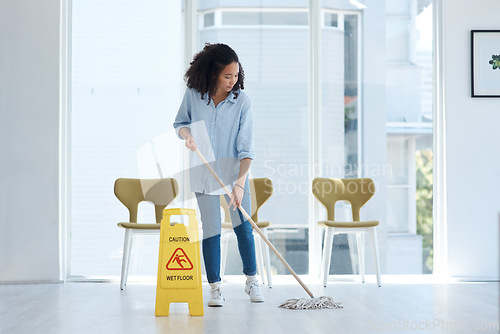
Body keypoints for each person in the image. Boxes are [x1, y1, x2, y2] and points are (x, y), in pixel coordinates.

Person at [173, 43, 264, 307]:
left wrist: (239, 185)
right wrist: (187, 136)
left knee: (243, 228)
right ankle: (215, 287)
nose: (232, 81)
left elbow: (247, 149)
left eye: (236, 76)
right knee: (211, 230)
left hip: (235, 175)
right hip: (203, 172)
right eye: (227, 76)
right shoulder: (193, 94)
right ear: (213, 73)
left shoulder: (242, 103)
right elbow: (180, 123)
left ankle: (252, 281)